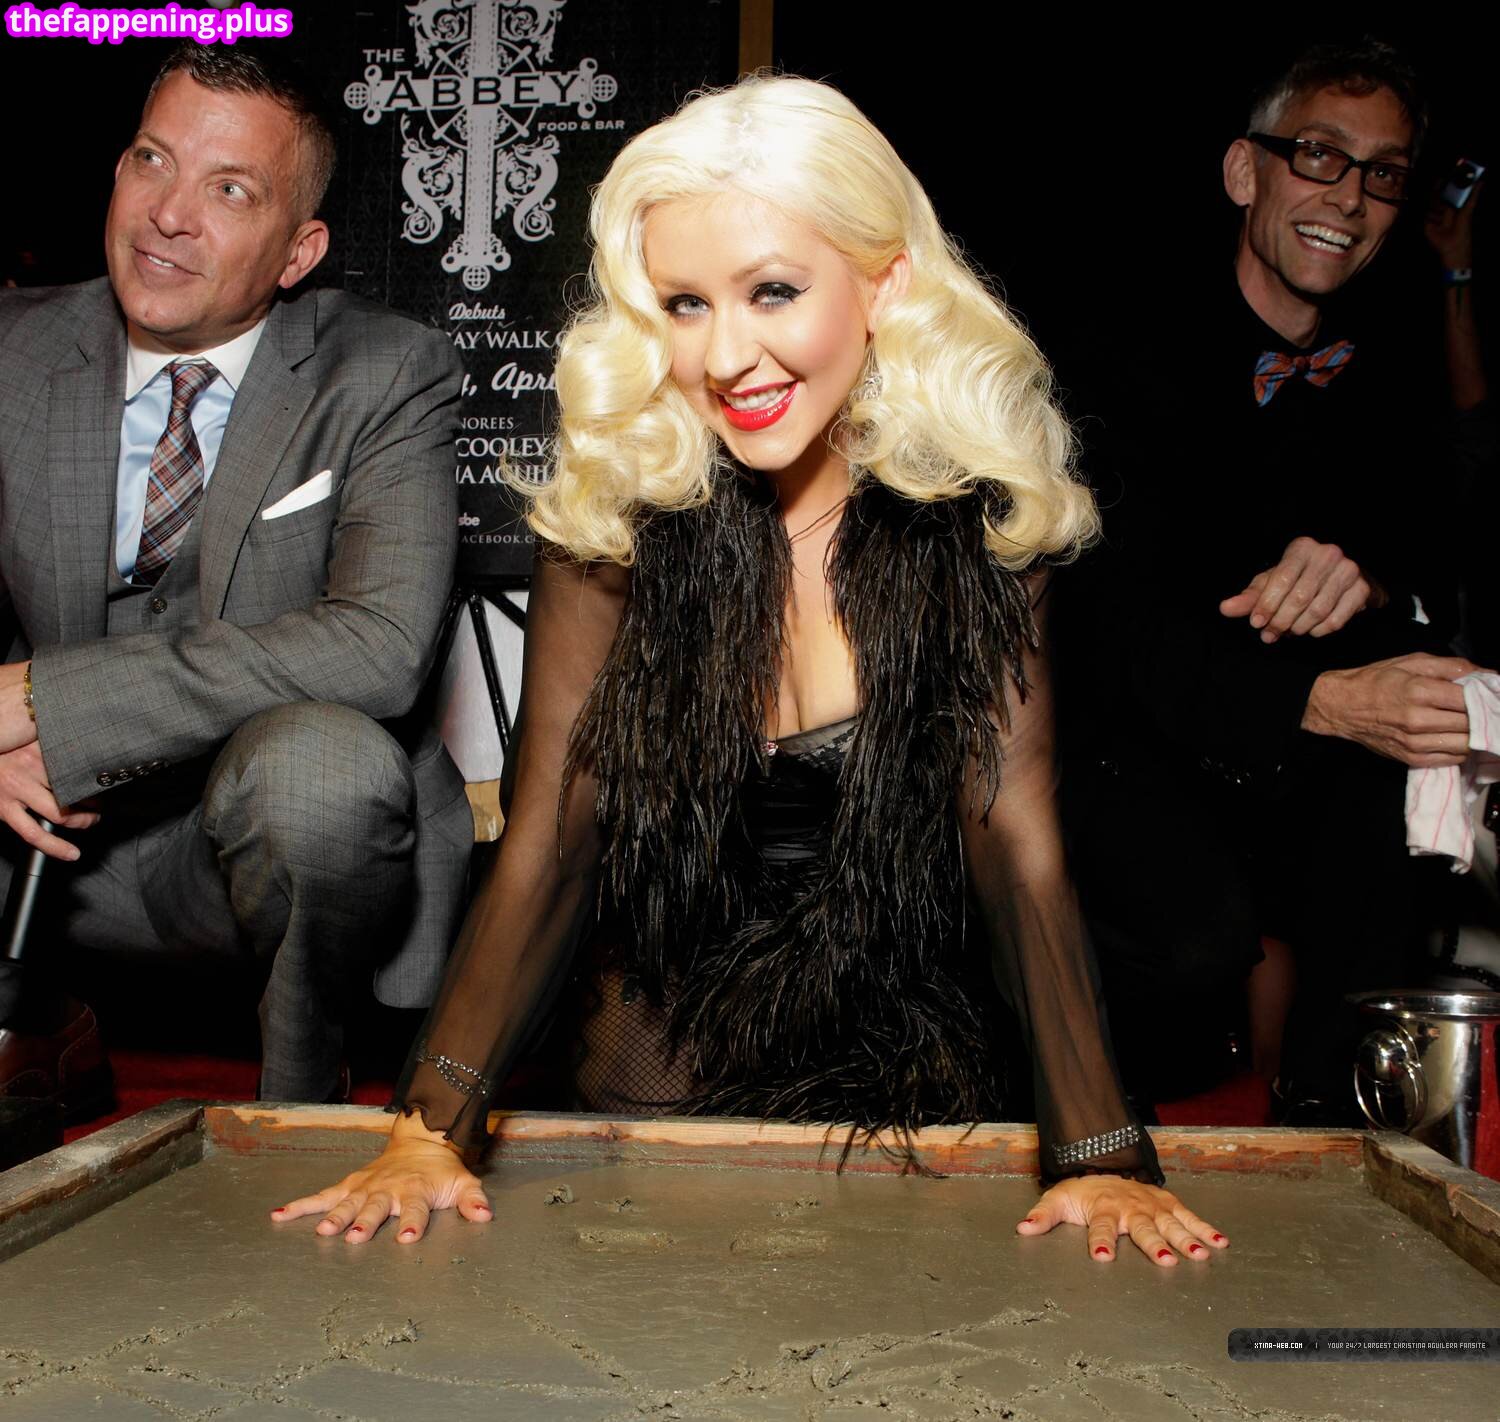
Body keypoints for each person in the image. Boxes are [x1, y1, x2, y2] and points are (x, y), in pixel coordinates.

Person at [274, 76, 1227, 1267]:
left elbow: (1012, 835)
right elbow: (556, 834)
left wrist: (1097, 1151)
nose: (727, 356)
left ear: (886, 284)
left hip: (910, 1016)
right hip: (666, 1016)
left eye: (774, 291)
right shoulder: (620, 506)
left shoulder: (981, 517)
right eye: (684, 303)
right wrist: (430, 1129)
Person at [0, 44, 472, 1110]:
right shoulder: (13, 350)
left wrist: (42, 702)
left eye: (229, 191)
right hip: (41, 838)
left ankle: (304, 1090)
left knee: (324, 770)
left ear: (299, 251)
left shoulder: (387, 370)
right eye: (151, 160)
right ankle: (45, 1026)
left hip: (244, 839)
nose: (168, 214)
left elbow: (381, 649)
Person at [1056, 38, 1490, 1119]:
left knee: (1385, 879)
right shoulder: (1117, 359)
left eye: (1383, 173)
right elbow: (1113, 631)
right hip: (1137, 741)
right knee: (1188, 946)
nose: (1349, 196)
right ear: (1245, 171)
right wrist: (1326, 700)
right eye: (1320, 155)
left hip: (1304, 776)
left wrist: (1367, 578)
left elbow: (1436, 535)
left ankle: (1347, 1140)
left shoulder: (1385, 367)